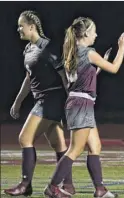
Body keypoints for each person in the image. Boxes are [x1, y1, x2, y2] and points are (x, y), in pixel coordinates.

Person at [44, 17, 124, 198]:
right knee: (75, 149)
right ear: (86, 33)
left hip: (78, 102)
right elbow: (114, 69)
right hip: (82, 104)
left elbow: (79, 82)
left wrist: (97, 69)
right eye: (94, 31)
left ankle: (100, 189)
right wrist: (122, 48)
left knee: (95, 146)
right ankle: (52, 187)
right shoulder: (89, 53)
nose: (96, 35)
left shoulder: (72, 53)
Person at [4, 10, 75, 196]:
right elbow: (29, 79)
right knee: (59, 145)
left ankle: (25, 185)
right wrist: (17, 102)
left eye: (21, 25)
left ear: (32, 27)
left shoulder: (48, 47)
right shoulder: (28, 49)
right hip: (41, 99)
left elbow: (63, 76)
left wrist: (72, 100)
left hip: (51, 99)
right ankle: (67, 185)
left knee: (24, 138)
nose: (18, 29)